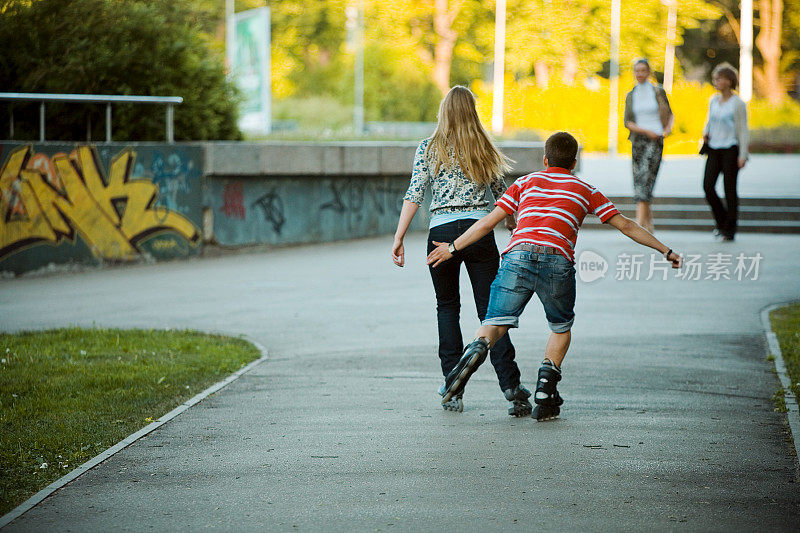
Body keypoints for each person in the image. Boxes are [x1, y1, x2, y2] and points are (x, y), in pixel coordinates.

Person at [428, 131, 683, 421]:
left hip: (518, 255)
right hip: (557, 260)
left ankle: (475, 349)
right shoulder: (585, 189)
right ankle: (545, 392)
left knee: (495, 323)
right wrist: (665, 250)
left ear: (545, 159)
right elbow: (626, 225)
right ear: (574, 162)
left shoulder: (525, 183)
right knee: (561, 327)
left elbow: (487, 223)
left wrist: (452, 247)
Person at [391, 85, 532, 416]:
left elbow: (414, 193)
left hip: (440, 233)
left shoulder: (428, 148)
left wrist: (399, 237)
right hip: (479, 233)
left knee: (446, 308)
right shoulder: (482, 146)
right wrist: (511, 222)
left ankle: (452, 387)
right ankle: (511, 387)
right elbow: (501, 193)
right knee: (491, 313)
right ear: (472, 112)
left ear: (443, 112)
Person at [623, 58, 674, 233]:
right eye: (637, 70)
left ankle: (638, 223)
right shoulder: (631, 94)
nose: (640, 74)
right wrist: (645, 131)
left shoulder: (658, 91)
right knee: (639, 178)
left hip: (655, 140)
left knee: (646, 178)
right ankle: (648, 225)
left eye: (643, 70)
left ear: (649, 71)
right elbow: (627, 122)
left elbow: (670, 114)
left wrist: (665, 131)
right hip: (638, 140)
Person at [702, 63, 749, 242]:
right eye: (715, 79)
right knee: (707, 187)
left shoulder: (737, 103)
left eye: (719, 78)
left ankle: (730, 230)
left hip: (731, 149)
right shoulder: (713, 100)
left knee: (730, 190)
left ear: (729, 81)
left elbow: (743, 129)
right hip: (714, 148)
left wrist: (743, 154)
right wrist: (705, 134)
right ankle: (722, 222)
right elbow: (709, 120)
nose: (716, 82)